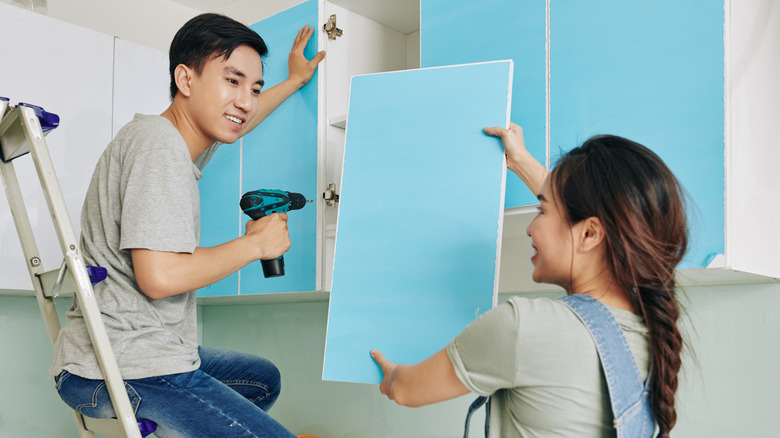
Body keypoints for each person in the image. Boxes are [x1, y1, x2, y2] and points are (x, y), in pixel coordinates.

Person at [50, 13, 324, 437]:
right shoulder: (158, 147)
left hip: (117, 355)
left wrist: (293, 82)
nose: (246, 100)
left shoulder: (171, 141)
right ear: (186, 78)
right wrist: (255, 244)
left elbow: (241, 118)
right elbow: (159, 278)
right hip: (124, 364)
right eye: (232, 81)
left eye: (254, 87)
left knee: (261, 379)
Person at [371, 123, 687, 438]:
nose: (530, 228)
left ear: (590, 234)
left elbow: (405, 390)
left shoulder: (524, 327)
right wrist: (520, 160)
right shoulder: (650, 332)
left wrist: (390, 375)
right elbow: (582, 213)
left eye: (541, 210)